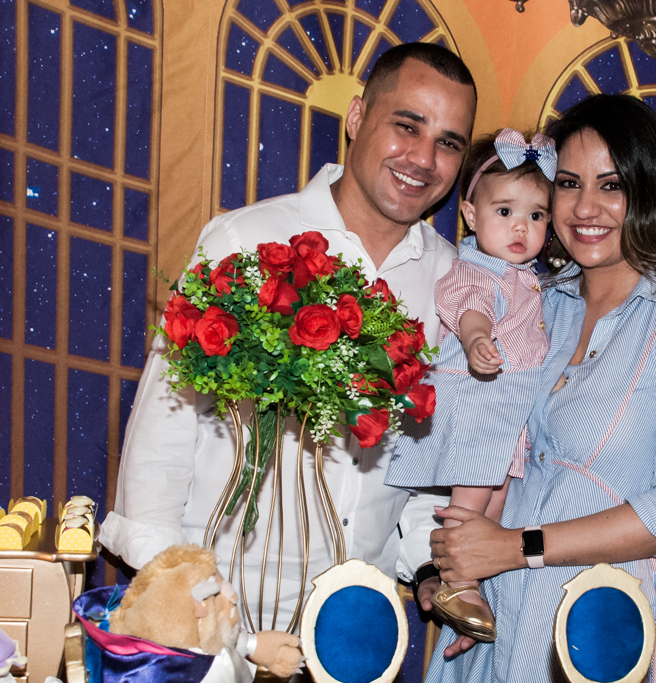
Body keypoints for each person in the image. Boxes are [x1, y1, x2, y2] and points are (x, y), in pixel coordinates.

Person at [98, 43, 477, 626]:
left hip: (357, 629)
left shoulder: (456, 285)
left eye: (448, 143)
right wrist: (172, 592)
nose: (424, 159)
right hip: (220, 613)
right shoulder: (245, 241)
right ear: (357, 118)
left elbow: (425, 463)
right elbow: (164, 428)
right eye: (407, 126)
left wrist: (426, 566)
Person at [416, 93, 656, 683]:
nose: (586, 207)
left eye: (611, 185)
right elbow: (491, 444)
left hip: (600, 638)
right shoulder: (536, 301)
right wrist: (454, 571)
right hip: (493, 622)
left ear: (649, 193)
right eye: (568, 183)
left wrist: (514, 548)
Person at [386, 129, 557, 643]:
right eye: (504, 212)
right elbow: (472, 311)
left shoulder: (529, 277)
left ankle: (462, 585)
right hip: (479, 405)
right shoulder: (479, 271)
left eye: (536, 215)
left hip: (507, 410)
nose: (521, 228)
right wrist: (477, 337)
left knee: (496, 506)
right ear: (469, 213)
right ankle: (458, 579)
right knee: (471, 500)